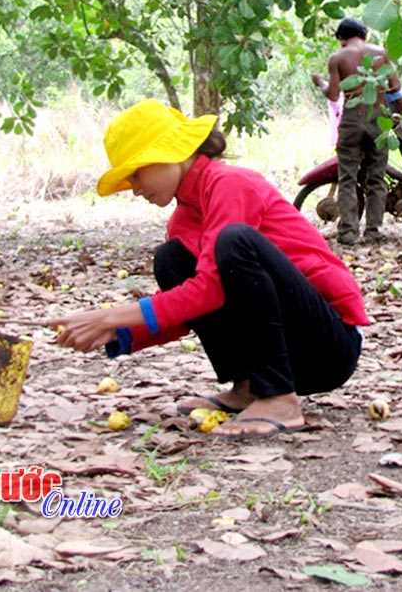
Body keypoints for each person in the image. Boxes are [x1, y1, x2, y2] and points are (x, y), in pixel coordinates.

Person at [50, 99, 368, 438]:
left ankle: (278, 397)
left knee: (233, 242)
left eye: (137, 172)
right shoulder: (184, 219)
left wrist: (114, 315)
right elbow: (191, 306)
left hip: (327, 347)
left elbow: (211, 287)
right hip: (289, 351)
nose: (135, 187)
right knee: (171, 259)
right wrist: (116, 332)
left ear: (173, 152)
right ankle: (250, 385)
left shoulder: (229, 184)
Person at [314, 18, 402, 245]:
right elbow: (396, 86)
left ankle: (348, 232)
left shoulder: (338, 58)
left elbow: (334, 95)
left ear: (342, 39)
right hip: (378, 115)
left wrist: (320, 83)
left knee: (347, 177)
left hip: (352, 119)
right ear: (363, 35)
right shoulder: (380, 53)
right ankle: (373, 230)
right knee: (376, 177)